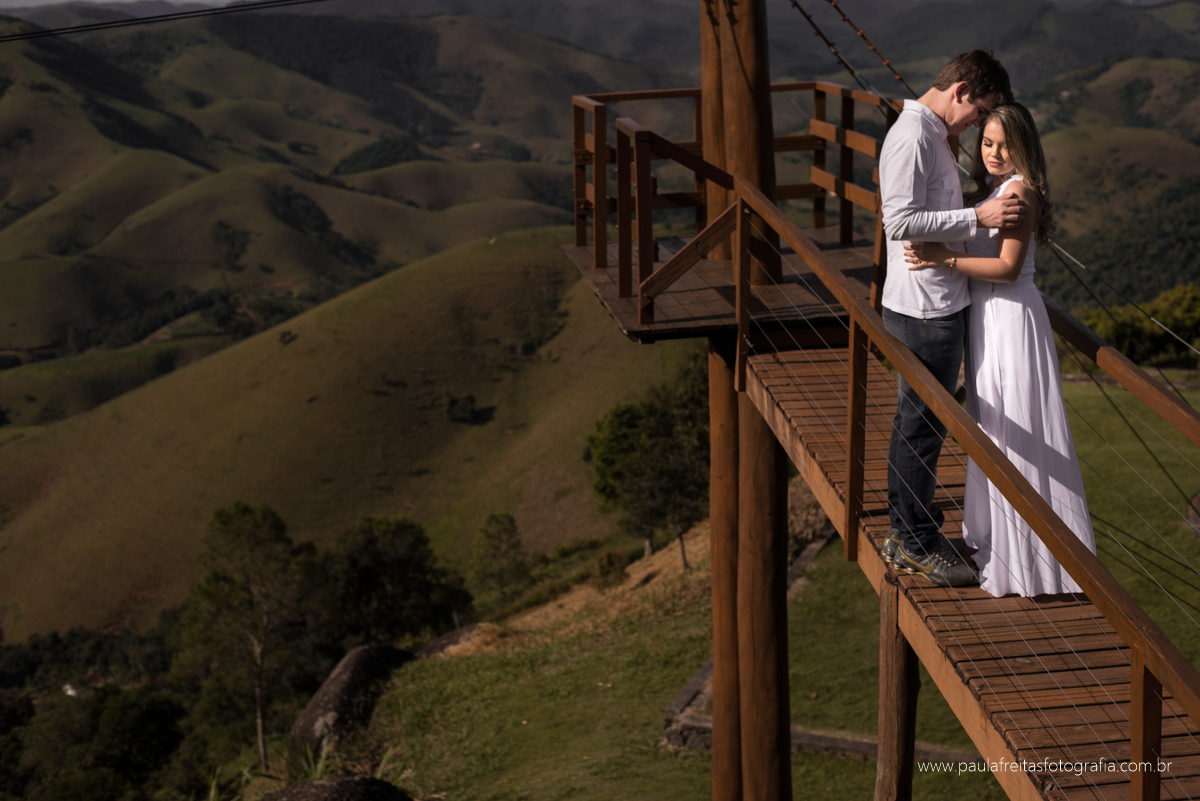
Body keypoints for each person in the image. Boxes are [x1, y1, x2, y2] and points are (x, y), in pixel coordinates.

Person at [904, 103, 1097, 597]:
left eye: (1004, 145)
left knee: (1017, 427)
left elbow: (1009, 268)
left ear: (1024, 148)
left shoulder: (1018, 194)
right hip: (990, 319)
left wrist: (940, 258)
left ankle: (1032, 560)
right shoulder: (994, 192)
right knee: (995, 426)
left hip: (1011, 319)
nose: (993, 152)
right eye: (986, 142)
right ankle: (1005, 542)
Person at [878, 50, 1023, 586]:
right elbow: (900, 222)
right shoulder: (913, 137)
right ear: (961, 90)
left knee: (920, 425)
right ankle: (915, 542)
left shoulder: (934, 135)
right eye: (980, 110)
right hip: (925, 307)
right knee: (920, 429)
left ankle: (911, 532)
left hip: (936, 301)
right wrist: (978, 213)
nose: (979, 123)